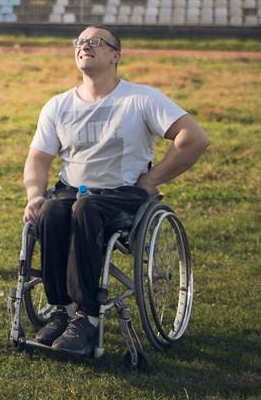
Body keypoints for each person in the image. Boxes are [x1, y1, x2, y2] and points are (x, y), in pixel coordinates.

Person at [21, 25, 209, 356]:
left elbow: (193, 138)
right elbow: (38, 158)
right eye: (80, 41)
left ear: (115, 56)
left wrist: (152, 180)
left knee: (86, 209)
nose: (85, 46)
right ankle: (61, 310)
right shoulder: (59, 105)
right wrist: (35, 194)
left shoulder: (141, 99)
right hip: (72, 190)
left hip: (121, 194)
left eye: (96, 42)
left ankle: (88, 317)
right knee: (51, 210)